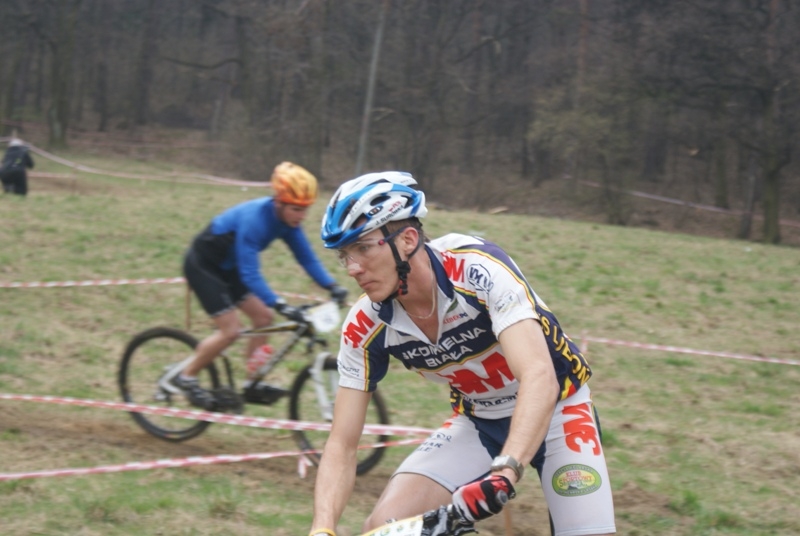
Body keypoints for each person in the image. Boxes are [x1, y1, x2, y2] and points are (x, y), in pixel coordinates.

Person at [308, 172, 616, 536]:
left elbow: (540, 376)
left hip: (560, 410)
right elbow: (342, 442)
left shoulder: (476, 269)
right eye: (344, 255)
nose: (353, 268)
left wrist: (505, 471)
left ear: (407, 240)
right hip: (480, 420)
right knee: (386, 529)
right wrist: (322, 528)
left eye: (363, 248)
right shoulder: (364, 324)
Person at [174, 161, 348, 410]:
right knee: (230, 331)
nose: (301, 216)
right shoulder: (255, 220)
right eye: (296, 209)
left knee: (263, 318)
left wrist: (331, 286)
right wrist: (280, 304)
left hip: (229, 268)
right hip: (204, 266)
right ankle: (186, 377)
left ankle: (251, 382)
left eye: (305, 209)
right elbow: (250, 274)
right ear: (279, 202)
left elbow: (307, 258)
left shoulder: (288, 224)